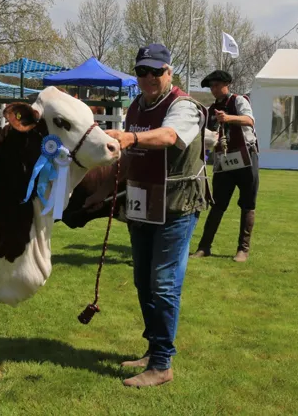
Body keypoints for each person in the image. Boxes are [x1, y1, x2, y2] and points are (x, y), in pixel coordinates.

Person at [83, 43, 210, 388]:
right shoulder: (136, 104)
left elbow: (169, 136)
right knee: (143, 280)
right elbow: (129, 152)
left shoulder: (185, 106)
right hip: (141, 202)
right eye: (142, 71)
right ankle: (155, 351)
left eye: (156, 71)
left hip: (177, 205)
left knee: (164, 283)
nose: (149, 78)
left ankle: (162, 365)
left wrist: (130, 136)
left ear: (170, 72)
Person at [190, 70, 259, 262]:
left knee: (247, 204)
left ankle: (243, 250)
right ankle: (204, 247)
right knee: (217, 204)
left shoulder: (239, 101)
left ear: (226, 84)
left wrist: (228, 118)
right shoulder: (210, 110)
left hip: (246, 158)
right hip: (224, 161)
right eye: (211, 86)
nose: (213, 89)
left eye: (216, 85)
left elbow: (249, 120)